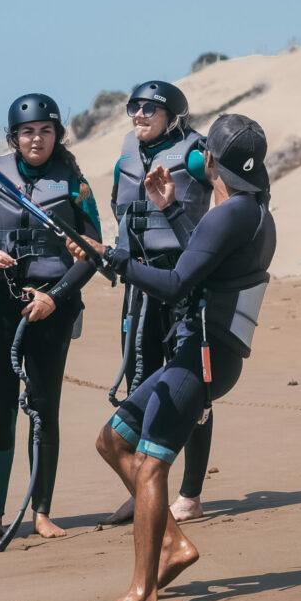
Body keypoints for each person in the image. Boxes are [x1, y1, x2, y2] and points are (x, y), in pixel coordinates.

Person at [72, 113, 276, 601]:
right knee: (112, 440)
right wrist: (171, 210)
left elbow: (176, 284)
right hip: (206, 353)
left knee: (150, 465)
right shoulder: (248, 211)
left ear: (209, 161)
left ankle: (142, 596)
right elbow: (206, 258)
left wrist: (111, 258)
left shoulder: (232, 212)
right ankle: (173, 545)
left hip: (202, 359)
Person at [0, 93, 102, 543]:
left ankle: (42, 511)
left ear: (57, 135)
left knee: (44, 410)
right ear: (14, 137)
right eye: (27, 132)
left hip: (50, 308)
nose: (36, 139)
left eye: (46, 131)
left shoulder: (76, 185)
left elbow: (93, 254)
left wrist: (56, 298)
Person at [106, 80, 215, 524]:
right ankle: (144, 491)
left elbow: (229, 194)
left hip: (185, 279)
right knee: (142, 382)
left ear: (173, 115)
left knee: (194, 391)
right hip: (140, 281)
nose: (139, 115)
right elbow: (119, 216)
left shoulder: (194, 152)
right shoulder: (124, 160)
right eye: (134, 107)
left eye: (150, 108)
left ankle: (190, 494)